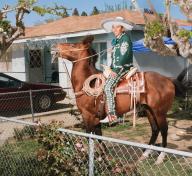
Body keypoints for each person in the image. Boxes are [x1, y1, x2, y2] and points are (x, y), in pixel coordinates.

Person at [100, 17, 134, 123]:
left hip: (122, 67)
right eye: (113, 27)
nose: (114, 29)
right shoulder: (118, 40)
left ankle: (112, 115)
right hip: (116, 67)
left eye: (117, 27)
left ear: (122, 28)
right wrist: (110, 66)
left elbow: (124, 56)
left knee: (107, 87)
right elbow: (116, 57)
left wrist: (115, 69)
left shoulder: (125, 39)